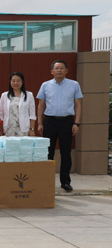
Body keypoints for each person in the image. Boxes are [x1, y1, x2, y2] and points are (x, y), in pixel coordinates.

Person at [37, 60, 83, 192]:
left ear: (66, 71)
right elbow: (41, 105)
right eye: (56, 68)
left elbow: (78, 105)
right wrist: (40, 123)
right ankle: (46, 181)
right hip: (49, 121)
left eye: (62, 68)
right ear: (52, 71)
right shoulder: (45, 85)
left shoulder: (74, 85)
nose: (59, 70)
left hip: (67, 122)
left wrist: (76, 123)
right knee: (48, 152)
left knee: (66, 153)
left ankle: (65, 182)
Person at [0, 71, 36, 137]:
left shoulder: (29, 95)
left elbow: (32, 115)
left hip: (23, 129)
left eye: (18, 81)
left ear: (22, 82)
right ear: (10, 82)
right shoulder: (4, 95)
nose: (15, 83)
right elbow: (1, 115)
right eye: (13, 81)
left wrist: (32, 129)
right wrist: (0, 130)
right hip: (9, 129)